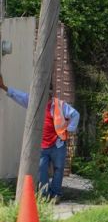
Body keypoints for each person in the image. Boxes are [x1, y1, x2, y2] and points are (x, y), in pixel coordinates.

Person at [0, 72, 80, 202]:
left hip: (57, 144)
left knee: (58, 169)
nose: (44, 94)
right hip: (41, 145)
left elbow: (75, 114)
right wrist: (4, 87)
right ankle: (44, 196)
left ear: (50, 93)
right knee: (41, 171)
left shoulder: (59, 105)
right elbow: (19, 96)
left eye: (47, 91)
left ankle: (56, 195)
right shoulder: (33, 102)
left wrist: (69, 131)